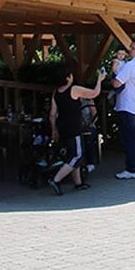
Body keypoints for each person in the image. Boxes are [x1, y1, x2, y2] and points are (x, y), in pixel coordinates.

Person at [47, 66, 105, 196]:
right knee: (77, 155)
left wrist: (54, 130)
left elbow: (52, 114)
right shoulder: (74, 89)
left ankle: (78, 183)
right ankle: (56, 179)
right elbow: (94, 93)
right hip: (74, 128)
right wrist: (100, 80)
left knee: (71, 154)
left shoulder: (56, 92)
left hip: (62, 127)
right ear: (67, 78)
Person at [111, 39, 135, 180]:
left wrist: (114, 73)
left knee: (129, 139)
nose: (130, 50)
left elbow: (117, 83)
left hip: (127, 106)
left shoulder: (130, 66)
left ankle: (131, 168)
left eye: (133, 48)